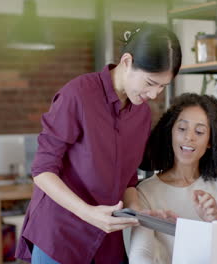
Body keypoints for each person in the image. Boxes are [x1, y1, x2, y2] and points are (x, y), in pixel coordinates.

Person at [15, 24, 182, 264]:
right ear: (127, 61)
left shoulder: (142, 113)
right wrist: (88, 213)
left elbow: (127, 179)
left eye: (162, 86)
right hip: (61, 235)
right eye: (150, 82)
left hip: (107, 243)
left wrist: (139, 213)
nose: (154, 94)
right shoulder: (77, 95)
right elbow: (42, 170)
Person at [128, 93, 217, 263]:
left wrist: (216, 221)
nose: (189, 137)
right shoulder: (146, 192)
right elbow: (140, 254)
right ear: (171, 132)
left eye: (199, 131)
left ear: (210, 141)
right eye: (182, 128)